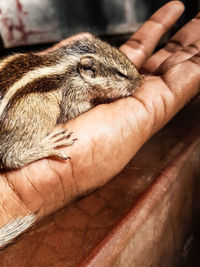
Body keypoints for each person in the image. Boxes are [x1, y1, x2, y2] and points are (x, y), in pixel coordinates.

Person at [0, 1, 199, 234]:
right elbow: (72, 110)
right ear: (88, 71)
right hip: (9, 137)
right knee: (40, 107)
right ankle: (22, 151)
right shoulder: (71, 84)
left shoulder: (70, 71)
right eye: (120, 76)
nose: (133, 85)